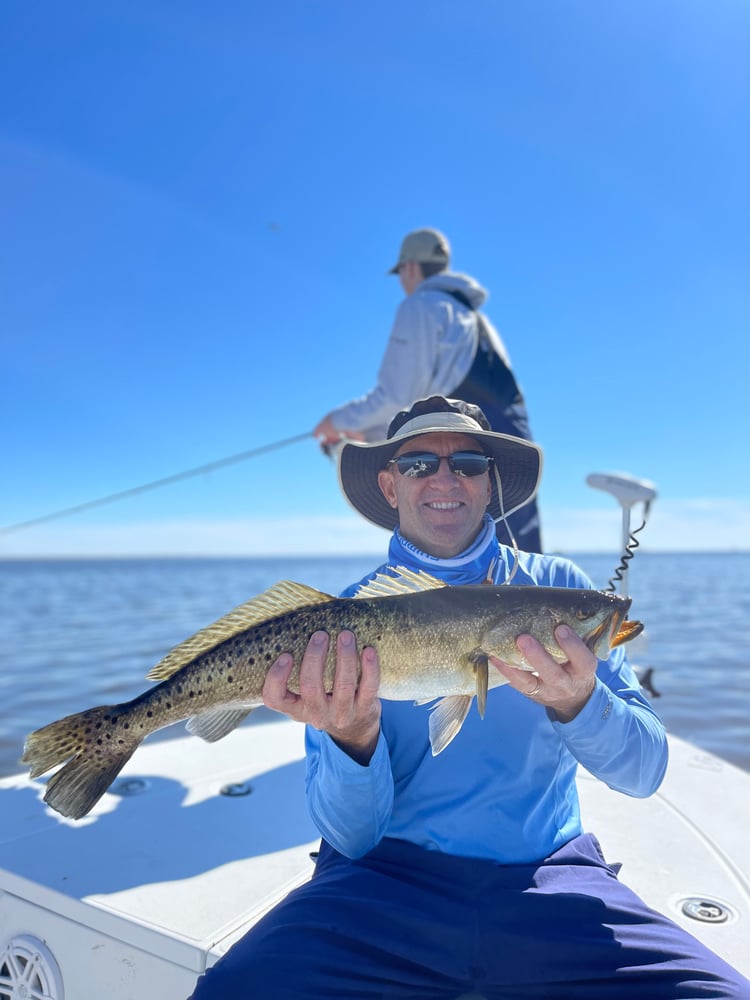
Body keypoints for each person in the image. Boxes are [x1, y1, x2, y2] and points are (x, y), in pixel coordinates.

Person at [190, 396, 749, 1000]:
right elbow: (349, 838)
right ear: (389, 485)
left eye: (469, 463)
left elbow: (644, 773)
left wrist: (582, 702)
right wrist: (352, 739)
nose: (444, 478)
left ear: (490, 485)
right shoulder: (337, 625)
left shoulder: (560, 589)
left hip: (550, 879)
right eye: (417, 465)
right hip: (379, 885)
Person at [313, 227, 543, 553]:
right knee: (519, 559)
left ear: (409, 267)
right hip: (501, 448)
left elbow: (396, 395)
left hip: (462, 446)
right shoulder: (476, 319)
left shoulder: (419, 306)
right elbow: (426, 395)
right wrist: (371, 431)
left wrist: (335, 422)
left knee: (457, 559)